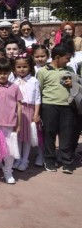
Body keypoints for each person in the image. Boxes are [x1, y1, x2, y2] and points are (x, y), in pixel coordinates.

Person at [36, 44, 76, 173]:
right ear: (57, 57)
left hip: (67, 106)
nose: (68, 61)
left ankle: (67, 161)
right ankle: (49, 160)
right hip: (49, 106)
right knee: (49, 134)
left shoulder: (69, 69)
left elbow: (76, 88)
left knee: (67, 134)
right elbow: (38, 91)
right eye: (67, 58)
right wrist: (38, 111)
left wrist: (73, 84)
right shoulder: (43, 71)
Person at [0, 57, 22, 184]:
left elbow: (19, 106)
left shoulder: (15, 87)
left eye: (5, 73)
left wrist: (18, 124)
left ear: (10, 72)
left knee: (10, 150)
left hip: (10, 123)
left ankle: (8, 171)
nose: (2, 75)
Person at [12, 54, 40, 172]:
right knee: (18, 136)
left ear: (30, 67)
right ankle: (17, 159)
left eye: (24, 66)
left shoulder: (34, 81)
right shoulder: (13, 81)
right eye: (19, 67)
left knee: (27, 138)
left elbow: (37, 99)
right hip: (17, 111)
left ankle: (25, 160)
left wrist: (36, 114)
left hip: (29, 110)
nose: (22, 69)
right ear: (14, 68)